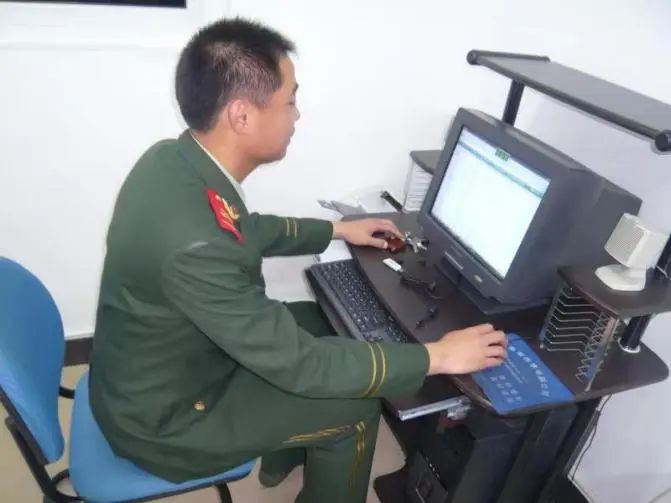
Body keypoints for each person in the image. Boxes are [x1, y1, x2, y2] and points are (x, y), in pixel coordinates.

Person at [89, 17, 507, 503]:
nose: (297, 115)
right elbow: (301, 364)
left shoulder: (173, 159)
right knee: (355, 409)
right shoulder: (196, 248)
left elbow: (244, 228)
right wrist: (438, 356)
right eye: (290, 101)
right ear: (242, 116)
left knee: (319, 319)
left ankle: (280, 456)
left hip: (165, 367)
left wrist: (336, 229)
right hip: (168, 422)